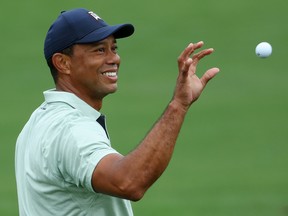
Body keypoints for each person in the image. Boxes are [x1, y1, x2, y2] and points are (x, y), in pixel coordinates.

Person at [15, 7, 220, 216]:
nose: (114, 59)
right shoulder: (70, 129)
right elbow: (129, 182)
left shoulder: (38, 121)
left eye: (114, 48)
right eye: (99, 50)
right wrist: (179, 105)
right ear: (63, 63)